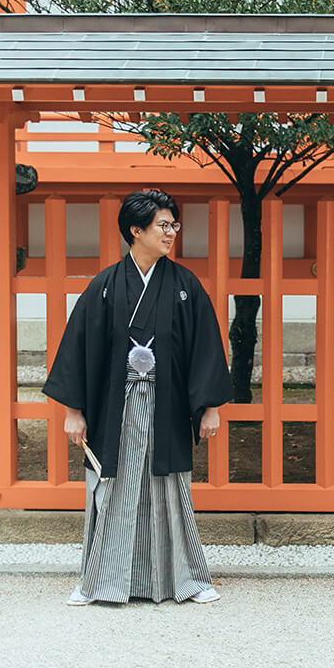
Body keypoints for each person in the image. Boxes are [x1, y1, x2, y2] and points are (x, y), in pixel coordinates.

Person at [43, 189, 233, 606]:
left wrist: (210, 406)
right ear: (136, 230)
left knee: (170, 489)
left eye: (173, 225)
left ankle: (187, 579)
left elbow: (205, 348)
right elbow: (79, 348)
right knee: (111, 488)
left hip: (165, 405)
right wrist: (73, 412)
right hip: (116, 405)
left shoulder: (185, 286)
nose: (171, 233)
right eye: (163, 226)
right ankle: (97, 581)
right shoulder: (105, 286)